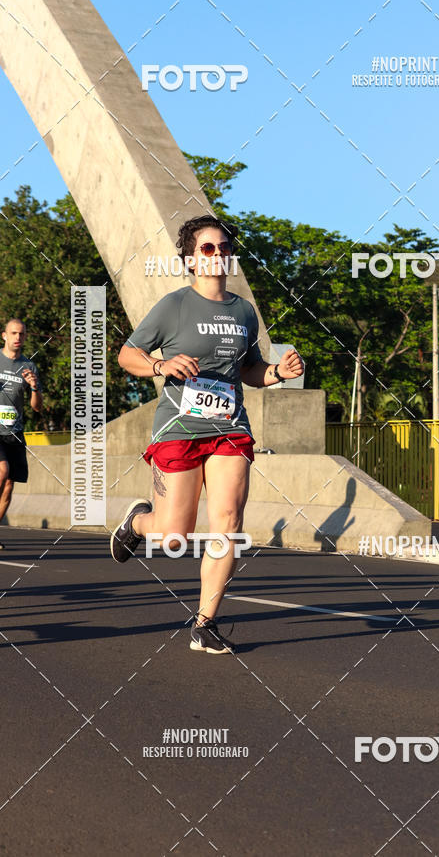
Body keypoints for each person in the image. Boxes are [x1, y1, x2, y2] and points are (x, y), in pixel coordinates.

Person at [110, 215, 304, 654]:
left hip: (230, 428)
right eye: (208, 248)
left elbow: (250, 370)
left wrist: (278, 372)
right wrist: (160, 365)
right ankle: (137, 523)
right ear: (192, 259)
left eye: (225, 248)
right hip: (179, 427)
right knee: (173, 535)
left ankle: (205, 624)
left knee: (228, 523)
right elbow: (127, 354)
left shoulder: (244, 311)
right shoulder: (174, 306)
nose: (218, 254)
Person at [0, 319, 43, 549]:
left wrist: (34, 387)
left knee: (8, 485)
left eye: (22, 334)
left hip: (14, 433)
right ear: (4, 335)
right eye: (14, 333)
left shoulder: (29, 366)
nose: (18, 337)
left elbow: (37, 407)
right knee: (2, 471)